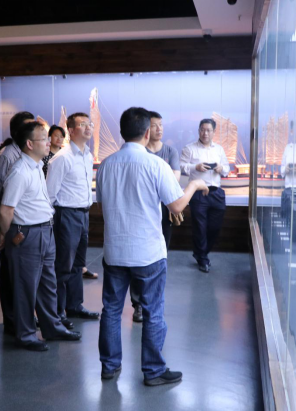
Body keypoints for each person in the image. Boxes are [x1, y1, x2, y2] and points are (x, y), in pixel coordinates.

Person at [96, 107, 208, 386]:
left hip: (115, 250)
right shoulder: (156, 165)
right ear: (147, 133)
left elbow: (101, 203)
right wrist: (194, 185)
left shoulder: (106, 164)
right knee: (153, 312)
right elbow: (177, 206)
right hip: (148, 253)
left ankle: (109, 366)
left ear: (122, 132)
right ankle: (153, 371)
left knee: (111, 309)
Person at [0, 121, 81, 351]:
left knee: (48, 284)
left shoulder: (37, 166)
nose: (48, 142)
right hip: (27, 234)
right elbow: (6, 210)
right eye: (43, 138)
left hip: (45, 230)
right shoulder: (20, 171)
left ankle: (51, 327)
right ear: (29, 144)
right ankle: (25, 335)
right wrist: (6, 235)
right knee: (25, 288)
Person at [0, 111, 35, 335]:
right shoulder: (7, 156)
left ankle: (23, 317)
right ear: (16, 132)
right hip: (11, 222)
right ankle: (12, 320)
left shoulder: (27, 155)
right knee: (10, 272)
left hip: (25, 222)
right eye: (28, 127)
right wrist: (2, 215)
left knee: (23, 273)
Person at [47, 112, 100, 322]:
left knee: (78, 264)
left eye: (90, 124)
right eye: (83, 124)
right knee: (63, 266)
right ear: (71, 130)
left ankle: (74, 306)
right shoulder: (62, 157)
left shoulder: (87, 155)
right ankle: (57, 313)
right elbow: (50, 194)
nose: (89, 127)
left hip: (83, 214)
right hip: (66, 215)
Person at [129, 110, 181, 323]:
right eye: (154, 125)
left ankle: (151, 300)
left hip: (164, 211)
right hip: (140, 210)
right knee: (137, 258)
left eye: (161, 125)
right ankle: (138, 304)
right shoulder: (137, 152)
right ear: (145, 129)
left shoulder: (170, 151)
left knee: (159, 255)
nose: (159, 129)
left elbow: (174, 180)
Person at [180, 118, 230, 273]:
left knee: (215, 228)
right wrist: (195, 167)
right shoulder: (189, 148)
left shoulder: (219, 149)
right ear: (198, 131)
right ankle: (203, 258)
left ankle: (201, 253)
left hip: (216, 193)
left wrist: (221, 168)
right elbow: (181, 166)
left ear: (214, 132)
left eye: (208, 130)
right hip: (198, 193)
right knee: (200, 227)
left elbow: (227, 169)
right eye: (202, 130)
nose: (205, 133)